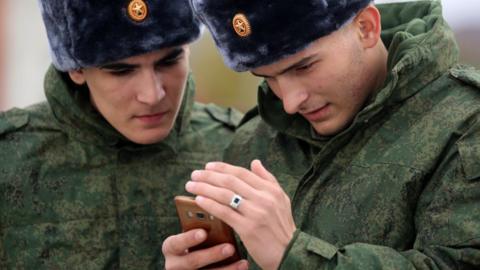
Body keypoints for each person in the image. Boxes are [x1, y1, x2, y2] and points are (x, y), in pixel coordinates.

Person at [163, 0, 480, 269]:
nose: (289, 103)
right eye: (268, 77)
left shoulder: (466, 124)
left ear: (366, 28)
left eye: (303, 67)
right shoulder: (254, 138)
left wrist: (293, 254)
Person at [0, 0, 242, 268]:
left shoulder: (241, 147)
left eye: (169, 60)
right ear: (76, 69)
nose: (152, 95)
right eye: (122, 71)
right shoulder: (8, 158)